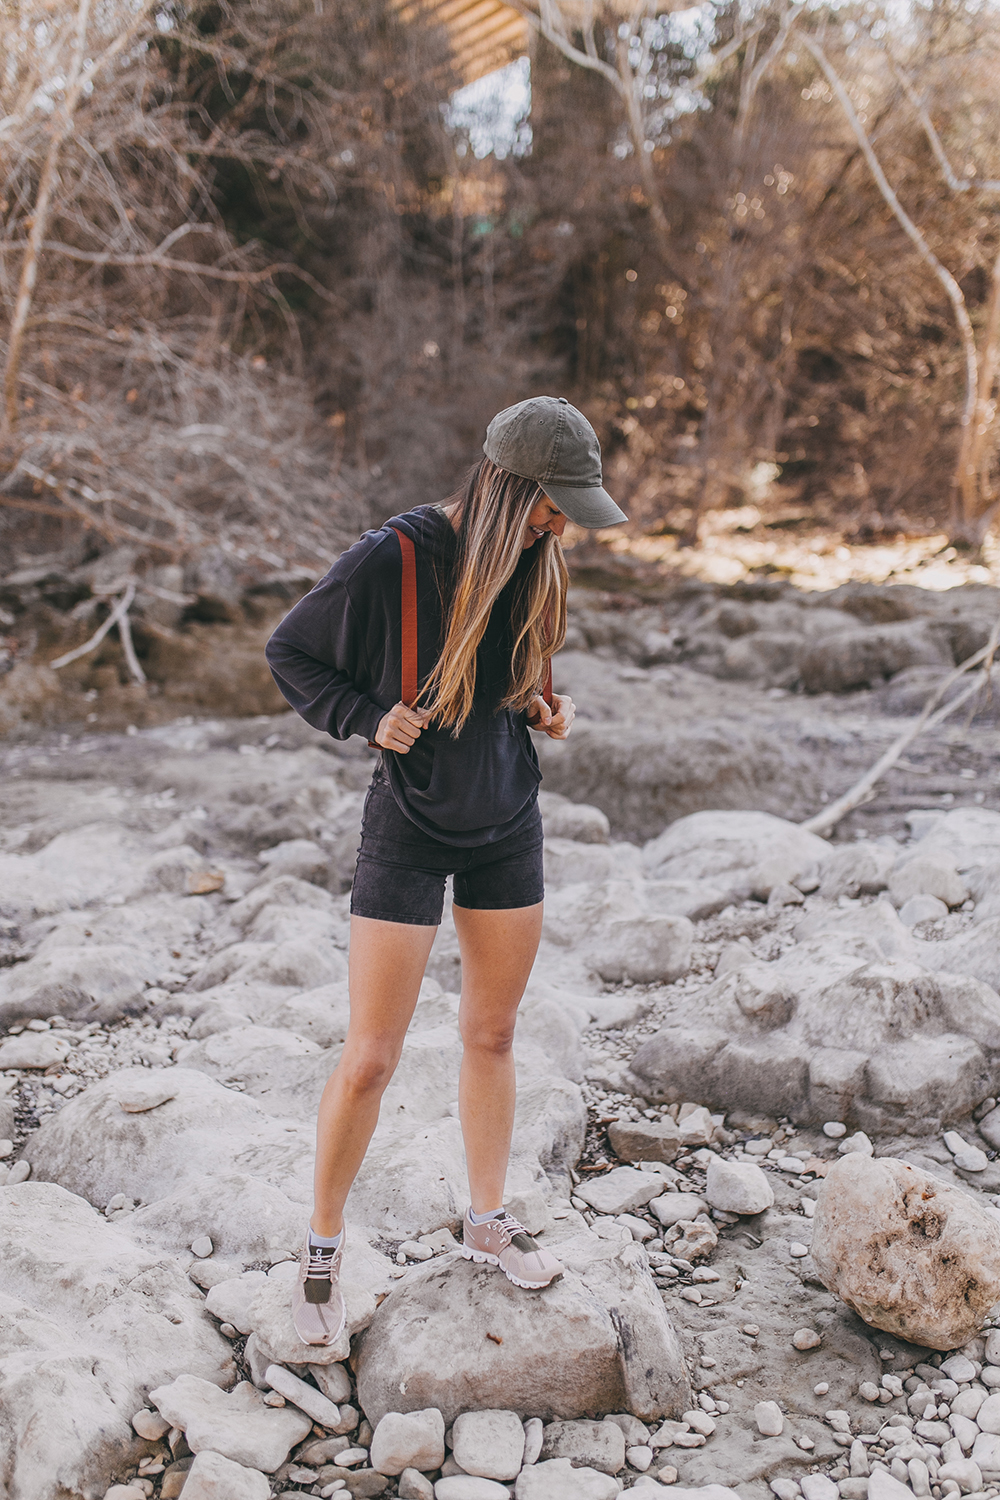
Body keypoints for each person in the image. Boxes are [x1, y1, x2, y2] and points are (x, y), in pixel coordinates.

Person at [265, 395, 626, 1345]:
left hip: (509, 822)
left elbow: (503, 680)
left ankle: (486, 1224)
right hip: (410, 827)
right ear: (511, 489)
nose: (562, 524)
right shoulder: (397, 556)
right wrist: (364, 716)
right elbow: (291, 651)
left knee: (495, 1034)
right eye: (553, 505)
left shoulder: (536, 562)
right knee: (372, 1057)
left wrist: (545, 709)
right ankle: (320, 1253)